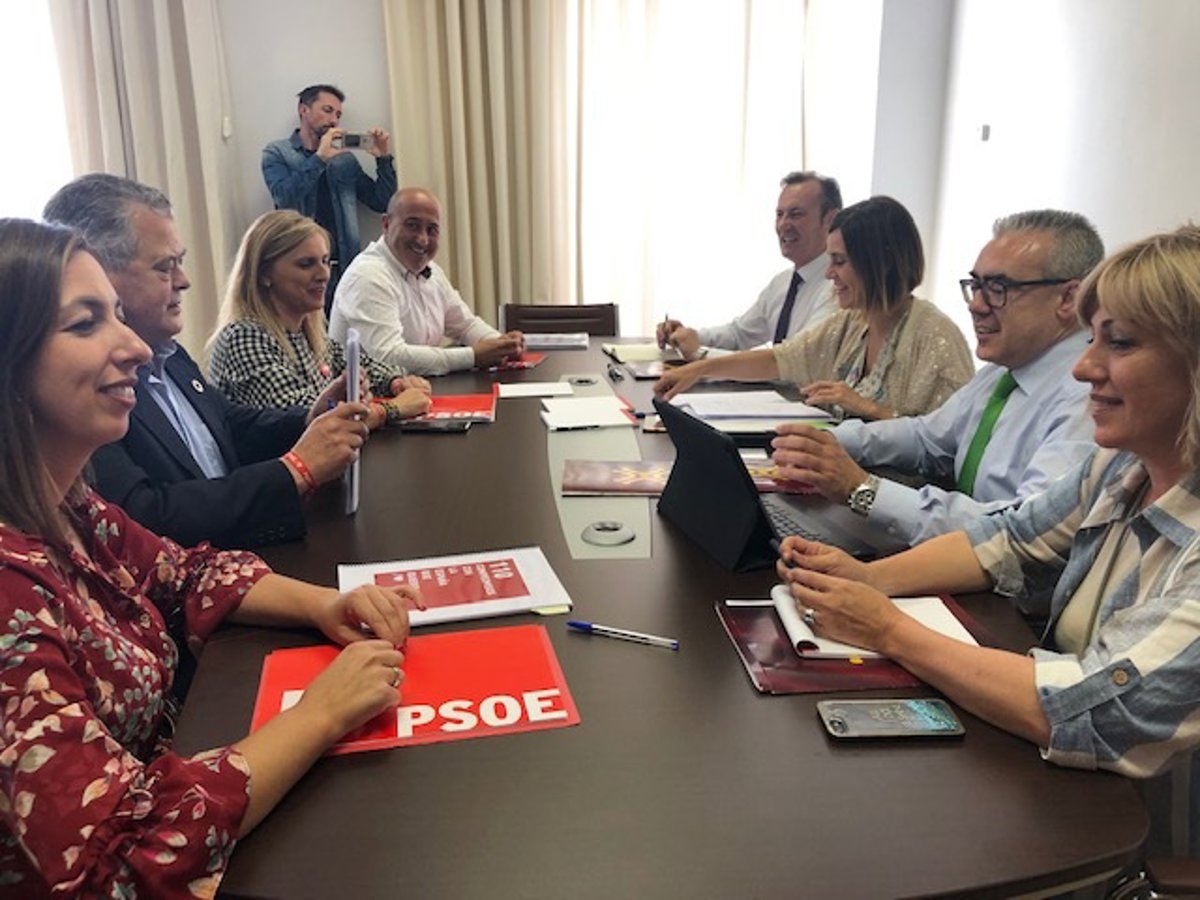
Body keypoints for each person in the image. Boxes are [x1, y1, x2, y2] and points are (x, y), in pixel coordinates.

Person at [0, 217, 418, 895]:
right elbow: (122, 862)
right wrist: (318, 715)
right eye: (84, 323)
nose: (135, 346)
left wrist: (327, 604)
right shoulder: (8, 593)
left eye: (117, 315)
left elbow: (184, 570)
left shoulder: (68, 505)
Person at [776, 224, 1200, 855]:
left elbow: (1091, 711)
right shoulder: (1120, 468)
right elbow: (1007, 538)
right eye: (1092, 339)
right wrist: (868, 580)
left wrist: (887, 628)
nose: (1084, 367)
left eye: (1120, 343)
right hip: (1056, 793)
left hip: (1124, 846)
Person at [43, 174, 367, 549]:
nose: (184, 281)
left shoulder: (169, 354)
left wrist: (310, 419)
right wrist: (295, 470)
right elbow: (143, 519)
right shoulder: (82, 392)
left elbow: (229, 425)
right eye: (164, 267)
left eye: (179, 262)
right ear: (97, 274)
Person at [769, 210, 1103, 554]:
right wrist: (825, 441)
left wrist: (863, 490)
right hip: (958, 558)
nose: (976, 305)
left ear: (1069, 299)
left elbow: (1019, 532)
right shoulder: (1003, 372)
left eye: (998, 288)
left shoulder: (1091, 398)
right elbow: (926, 437)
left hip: (1004, 580)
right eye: (975, 286)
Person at [654, 196, 974, 422]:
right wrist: (699, 368)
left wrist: (868, 408)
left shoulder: (936, 337)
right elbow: (779, 359)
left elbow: (948, 444)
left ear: (881, 263)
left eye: (840, 262)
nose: (829, 273)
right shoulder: (852, 322)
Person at [208, 210, 433, 429]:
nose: (324, 274)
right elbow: (312, 420)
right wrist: (392, 409)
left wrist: (396, 382)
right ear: (264, 274)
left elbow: (366, 367)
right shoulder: (244, 338)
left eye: (325, 261)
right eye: (306, 264)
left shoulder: (306, 334)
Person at [329, 187, 525, 376]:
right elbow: (388, 357)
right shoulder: (367, 276)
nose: (423, 239)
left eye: (432, 230)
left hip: (414, 390)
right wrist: (472, 357)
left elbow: (465, 325)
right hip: (370, 396)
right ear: (386, 224)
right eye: (412, 225)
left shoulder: (433, 272)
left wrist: (501, 344)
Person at [655, 171, 841, 358]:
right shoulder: (781, 283)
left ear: (830, 219)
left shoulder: (840, 287)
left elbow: (791, 361)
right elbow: (739, 334)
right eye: (779, 214)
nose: (783, 224)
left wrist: (700, 353)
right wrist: (689, 336)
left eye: (796, 214)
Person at [262, 84, 397, 314]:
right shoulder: (277, 153)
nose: (333, 120)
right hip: (299, 270)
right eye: (327, 110)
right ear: (303, 110)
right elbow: (284, 198)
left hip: (344, 269)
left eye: (338, 115)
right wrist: (320, 158)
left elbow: (383, 203)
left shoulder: (344, 160)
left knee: (348, 334)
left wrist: (383, 159)